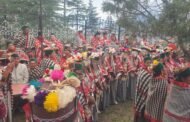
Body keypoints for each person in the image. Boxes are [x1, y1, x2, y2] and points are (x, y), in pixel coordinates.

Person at [134, 56, 152, 122]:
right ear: (144, 63)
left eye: (150, 63)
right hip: (140, 94)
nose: (149, 64)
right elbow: (140, 83)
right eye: (147, 63)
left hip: (147, 96)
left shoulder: (151, 72)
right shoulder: (142, 71)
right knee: (141, 112)